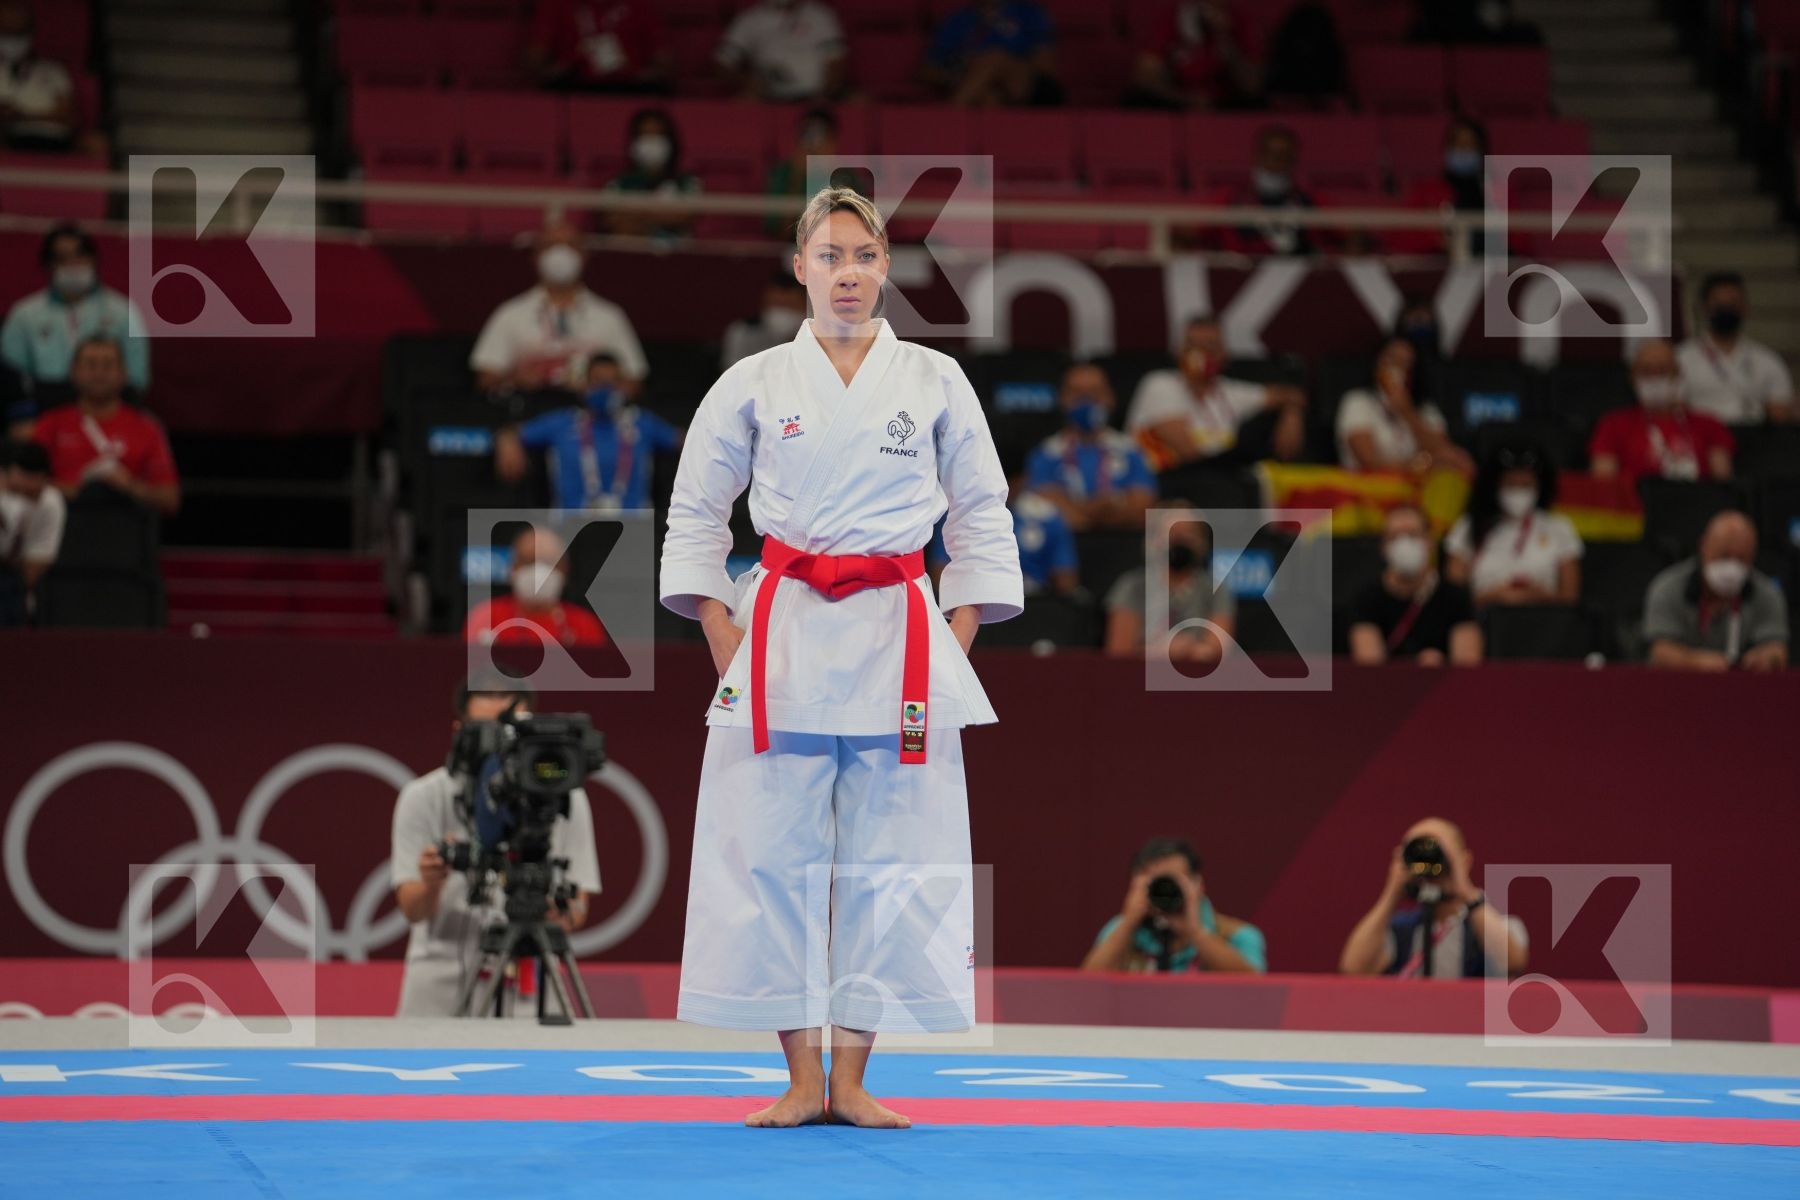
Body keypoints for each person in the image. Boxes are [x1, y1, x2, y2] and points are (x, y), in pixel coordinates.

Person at [659, 187, 1023, 1128]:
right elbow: (696, 511)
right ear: (800, 267)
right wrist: (716, 626)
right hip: (779, 629)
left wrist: (957, 631)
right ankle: (795, 1077)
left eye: (862, 256)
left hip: (899, 634)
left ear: (886, 264)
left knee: (894, 861)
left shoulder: (936, 380)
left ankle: (853, 1079)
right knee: (770, 855)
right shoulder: (751, 382)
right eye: (829, 256)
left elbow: (981, 511)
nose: (847, 273)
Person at [389, 677, 602, 1017]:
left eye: (512, 731)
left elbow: (576, 911)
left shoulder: (564, 797)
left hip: (529, 985)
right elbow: (412, 910)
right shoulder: (424, 796)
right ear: (460, 730)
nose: (500, 746)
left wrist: (548, 909)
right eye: (487, 730)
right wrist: (431, 884)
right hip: (439, 988)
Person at [469, 220, 648, 396]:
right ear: (535, 255)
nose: (561, 254)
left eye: (570, 245)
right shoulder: (509, 313)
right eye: (550, 245)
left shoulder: (610, 316)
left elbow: (634, 380)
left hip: (588, 419)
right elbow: (486, 379)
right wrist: (514, 381)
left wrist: (603, 389)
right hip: (530, 414)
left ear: (584, 254)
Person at [1339, 816, 1529, 979]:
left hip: (1469, 1020)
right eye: (1417, 849)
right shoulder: (1400, 929)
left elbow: (1512, 962)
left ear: (1465, 860)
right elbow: (1354, 969)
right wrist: (1392, 892)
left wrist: (1464, 889)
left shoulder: (1495, 925)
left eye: (1436, 849)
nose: (1428, 857)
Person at [494, 353, 681, 513]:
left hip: (634, 530)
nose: (605, 389)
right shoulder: (562, 422)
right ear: (584, 385)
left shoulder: (642, 422)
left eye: (612, 382)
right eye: (598, 382)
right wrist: (506, 440)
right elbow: (511, 432)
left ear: (623, 387)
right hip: (571, 528)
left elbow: (686, 441)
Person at [1124, 316, 1305, 467]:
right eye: (1192, 346)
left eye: (1209, 347)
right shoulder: (1160, 384)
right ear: (1178, 352)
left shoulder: (1230, 391)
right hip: (1162, 482)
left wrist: (1291, 412)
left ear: (1225, 356)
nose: (1200, 356)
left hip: (1215, 484)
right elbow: (1189, 452)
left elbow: (1292, 394)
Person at [26, 336, 179, 515]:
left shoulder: (147, 428)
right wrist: (79, 490)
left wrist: (129, 486)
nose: (99, 373)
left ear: (124, 374)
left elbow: (170, 499)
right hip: (65, 529)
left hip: (125, 530)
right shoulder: (50, 424)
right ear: (73, 372)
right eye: (90, 365)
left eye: (108, 365)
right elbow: (22, 483)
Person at [1, 224, 149, 396]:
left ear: (94, 259)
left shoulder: (123, 311)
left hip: (109, 406)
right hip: (43, 407)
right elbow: (11, 379)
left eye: (80, 255)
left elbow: (138, 379)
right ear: (48, 265)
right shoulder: (24, 315)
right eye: (62, 258)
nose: (73, 264)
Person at [1082, 836, 1266, 974]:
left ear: (1198, 885)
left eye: (1173, 882)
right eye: (1157, 883)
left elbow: (1255, 990)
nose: (1165, 891)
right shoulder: (1121, 931)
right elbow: (1086, 988)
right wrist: (1128, 923)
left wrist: (1195, 931)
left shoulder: (1238, 935)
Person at [1444, 435, 1582, 607]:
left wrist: (1542, 596)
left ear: (1540, 487)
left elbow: (1571, 601)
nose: (1518, 492)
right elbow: (1451, 598)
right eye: (1511, 485)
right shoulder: (1468, 526)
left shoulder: (1559, 527)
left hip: (1545, 622)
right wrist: (1492, 597)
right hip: (1483, 621)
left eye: (1526, 485)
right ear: (1494, 486)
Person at [1644, 510, 1788, 672]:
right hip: (1680, 687)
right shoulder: (1668, 588)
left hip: (1744, 690)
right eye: (1724, 555)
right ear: (1703, 546)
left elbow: (1777, 651)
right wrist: (1694, 661)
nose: (1732, 567)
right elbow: (1660, 652)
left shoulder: (1767, 593)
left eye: (1741, 558)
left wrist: (1768, 658)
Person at [1024, 362, 1155, 532]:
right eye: (1077, 393)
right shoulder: (1046, 454)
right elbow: (1048, 509)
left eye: (1095, 393)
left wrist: (1080, 511)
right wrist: (1102, 509)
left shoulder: (1132, 450)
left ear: (1110, 398)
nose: (1086, 401)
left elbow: (1142, 506)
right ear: (1062, 399)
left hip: (1122, 549)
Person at [1347, 503, 1482, 666]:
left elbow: (1468, 667)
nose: (1405, 544)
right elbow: (1368, 666)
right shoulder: (1366, 599)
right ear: (1383, 548)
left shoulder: (1456, 598)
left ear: (1430, 541)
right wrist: (1412, 671)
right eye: (1395, 536)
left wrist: (1441, 667)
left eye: (1413, 534)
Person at [1589, 338, 1734, 489]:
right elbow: (1602, 486)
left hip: (1698, 505)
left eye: (1662, 370)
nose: (1655, 377)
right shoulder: (1612, 425)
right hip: (1638, 507)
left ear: (1678, 375)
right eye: (1646, 371)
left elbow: (1724, 488)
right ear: (1632, 378)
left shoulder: (1709, 424)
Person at [1104, 510, 1234, 663]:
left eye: (1189, 535)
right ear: (1154, 541)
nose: (1181, 542)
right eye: (1174, 534)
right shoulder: (1133, 586)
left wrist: (1189, 650)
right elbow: (1118, 652)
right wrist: (1160, 651)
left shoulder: (1214, 588)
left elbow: (1219, 650)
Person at [1336, 336, 1472, 474]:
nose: (1397, 368)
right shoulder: (1357, 401)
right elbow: (1369, 461)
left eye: (1406, 363)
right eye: (1392, 359)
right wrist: (1422, 465)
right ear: (1377, 364)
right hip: (1371, 489)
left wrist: (1407, 412)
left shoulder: (1425, 408)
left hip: (1418, 489)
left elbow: (1446, 453)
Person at [1675, 273, 1795, 425]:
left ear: (1745, 308)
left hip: (1755, 439)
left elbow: (1780, 412)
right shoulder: (1681, 358)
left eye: (1733, 303)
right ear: (1704, 308)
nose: (1726, 309)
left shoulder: (1767, 360)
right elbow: (1673, 411)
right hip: (1702, 439)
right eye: (1718, 303)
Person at [464, 525, 608, 648]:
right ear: (512, 568)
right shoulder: (485, 618)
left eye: (548, 562)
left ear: (564, 570)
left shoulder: (585, 625)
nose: (538, 570)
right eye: (528, 561)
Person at [1126, 1, 1261, 111]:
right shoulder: (1173, 19)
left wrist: (1225, 36)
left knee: (1257, 103)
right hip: (1180, 99)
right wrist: (1187, 99)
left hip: (1225, 102)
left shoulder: (1240, 22)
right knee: (1137, 98)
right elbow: (1145, 76)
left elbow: (1252, 85)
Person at [925, 0, 1062, 108]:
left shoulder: (1030, 14)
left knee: (995, 58)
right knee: (989, 98)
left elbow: (1045, 69)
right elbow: (928, 71)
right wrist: (975, 74)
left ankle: (949, 115)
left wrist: (996, 70)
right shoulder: (957, 20)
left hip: (1031, 90)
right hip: (975, 84)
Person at [523, 0, 670, 93]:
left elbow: (666, 64)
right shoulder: (555, 4)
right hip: (573, 84)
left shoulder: (641, 5)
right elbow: (534, 61)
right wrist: (569, 61)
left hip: (628, 86)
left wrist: (635, 71)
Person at [716, 0, 847, 103]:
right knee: (741, 104)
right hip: (768, 96)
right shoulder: (748, 20)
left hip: (818, 96)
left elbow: (836, 60)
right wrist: (744, 80)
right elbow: (722, 62)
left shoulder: (820, 15)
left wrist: (826, 94)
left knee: (858, 102)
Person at [602, 107, 703, 240]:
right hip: (631, 250)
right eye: (645, 135)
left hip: (676, 253)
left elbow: (685, 216)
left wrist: (636, 215)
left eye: (658, 135)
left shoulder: (688, 182)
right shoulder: (619, 182)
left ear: (670, 141)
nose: (651, 142)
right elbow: (611, 220)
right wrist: (661, 216)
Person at [0, 0, 82, 152]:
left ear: (30, 33)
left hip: (53, 140)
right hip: (8, 139)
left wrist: (22, 115)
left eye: (19, 33)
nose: (12, 41)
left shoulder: (53, 71)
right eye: (7, 33)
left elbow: (68, 116)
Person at [1225, 125, 1316, 256]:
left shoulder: (1310, 199)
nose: (1276, 162)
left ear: (1294, 160)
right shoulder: (1229, 198)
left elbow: (1350, 232)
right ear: (1256, 155)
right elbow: (1190, 231)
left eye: (1284, 156)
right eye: (1270, 154)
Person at [0, 440, 64, 625]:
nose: (24, 489)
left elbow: (38, 561)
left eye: (31, 481)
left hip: (11, 578)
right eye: (17, 489)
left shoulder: (50, 502)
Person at [723, 272, 809, 368]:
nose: (782, 314)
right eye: (777, 305)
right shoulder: (743, 333)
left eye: (790, 306)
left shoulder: (818, 338)